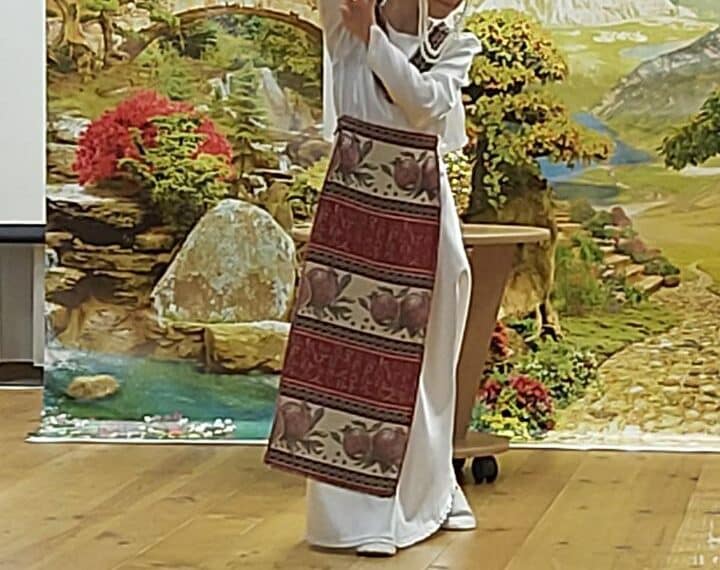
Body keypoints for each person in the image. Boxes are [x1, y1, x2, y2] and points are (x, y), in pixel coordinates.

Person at [265, 0, 483, 557]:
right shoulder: (345, 29)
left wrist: (376, 42)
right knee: (344, 358)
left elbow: (424, 103)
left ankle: (434, 490)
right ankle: (354, 518)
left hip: (422, 215)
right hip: (356, 209)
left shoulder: (455, 45)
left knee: (424, 366)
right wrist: (365, 32)